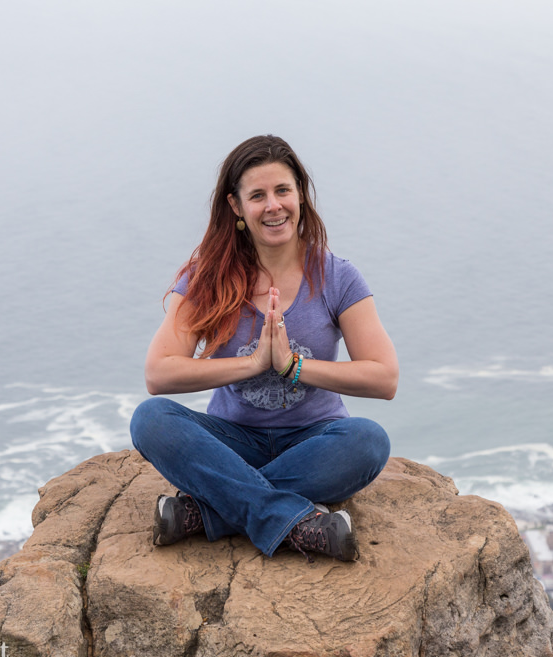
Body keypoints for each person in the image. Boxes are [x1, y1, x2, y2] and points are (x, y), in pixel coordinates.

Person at [130, 135, 398, 563]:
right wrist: (252, 364)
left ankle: (208, 512)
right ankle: (292, 519)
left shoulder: (337, 277)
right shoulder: (208, 277)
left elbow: (384, 378)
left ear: (301, 197)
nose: (273, 206)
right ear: (237, 207)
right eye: (258, 195)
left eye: (283, 191)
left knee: (368, 440)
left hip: (314, 442)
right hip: (231, 441)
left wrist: (293, 366)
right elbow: (158, 374)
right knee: (151, 420)